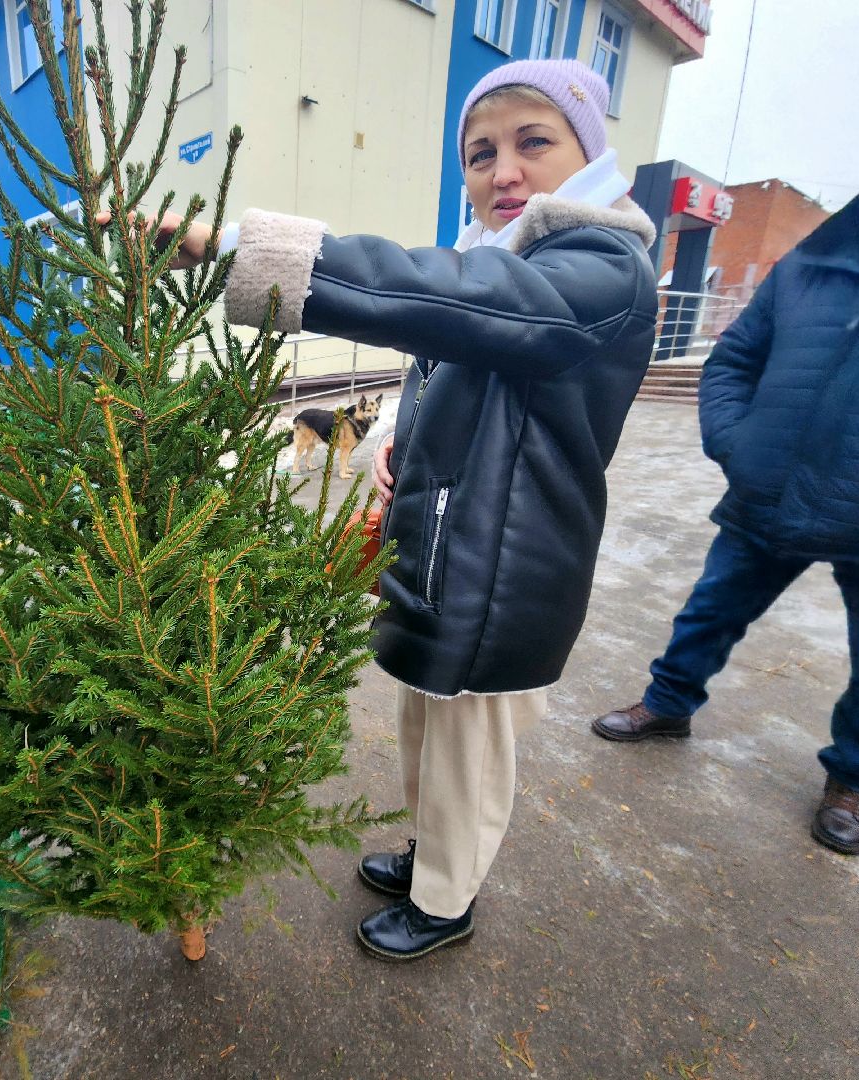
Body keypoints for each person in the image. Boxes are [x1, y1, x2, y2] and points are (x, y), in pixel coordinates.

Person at [135, 59, 657, 960]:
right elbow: (443, 372)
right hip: (447, 550)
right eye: (481, 152)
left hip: (507, 571)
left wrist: (242, 253)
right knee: (425, 720)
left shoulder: (601, 267)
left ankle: (447, 901)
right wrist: (391, 455)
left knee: (467, 749)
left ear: (591, 153)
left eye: (535, 142)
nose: (504, 171)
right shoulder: (508, 260)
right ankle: (429, 855)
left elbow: (458, 304)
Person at [592, 98, 859, 858]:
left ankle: (857, 777)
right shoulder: (808, 265)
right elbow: (732, 361)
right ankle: (669, 706)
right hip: (770, 495)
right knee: (707, 614)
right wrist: (740, 445)